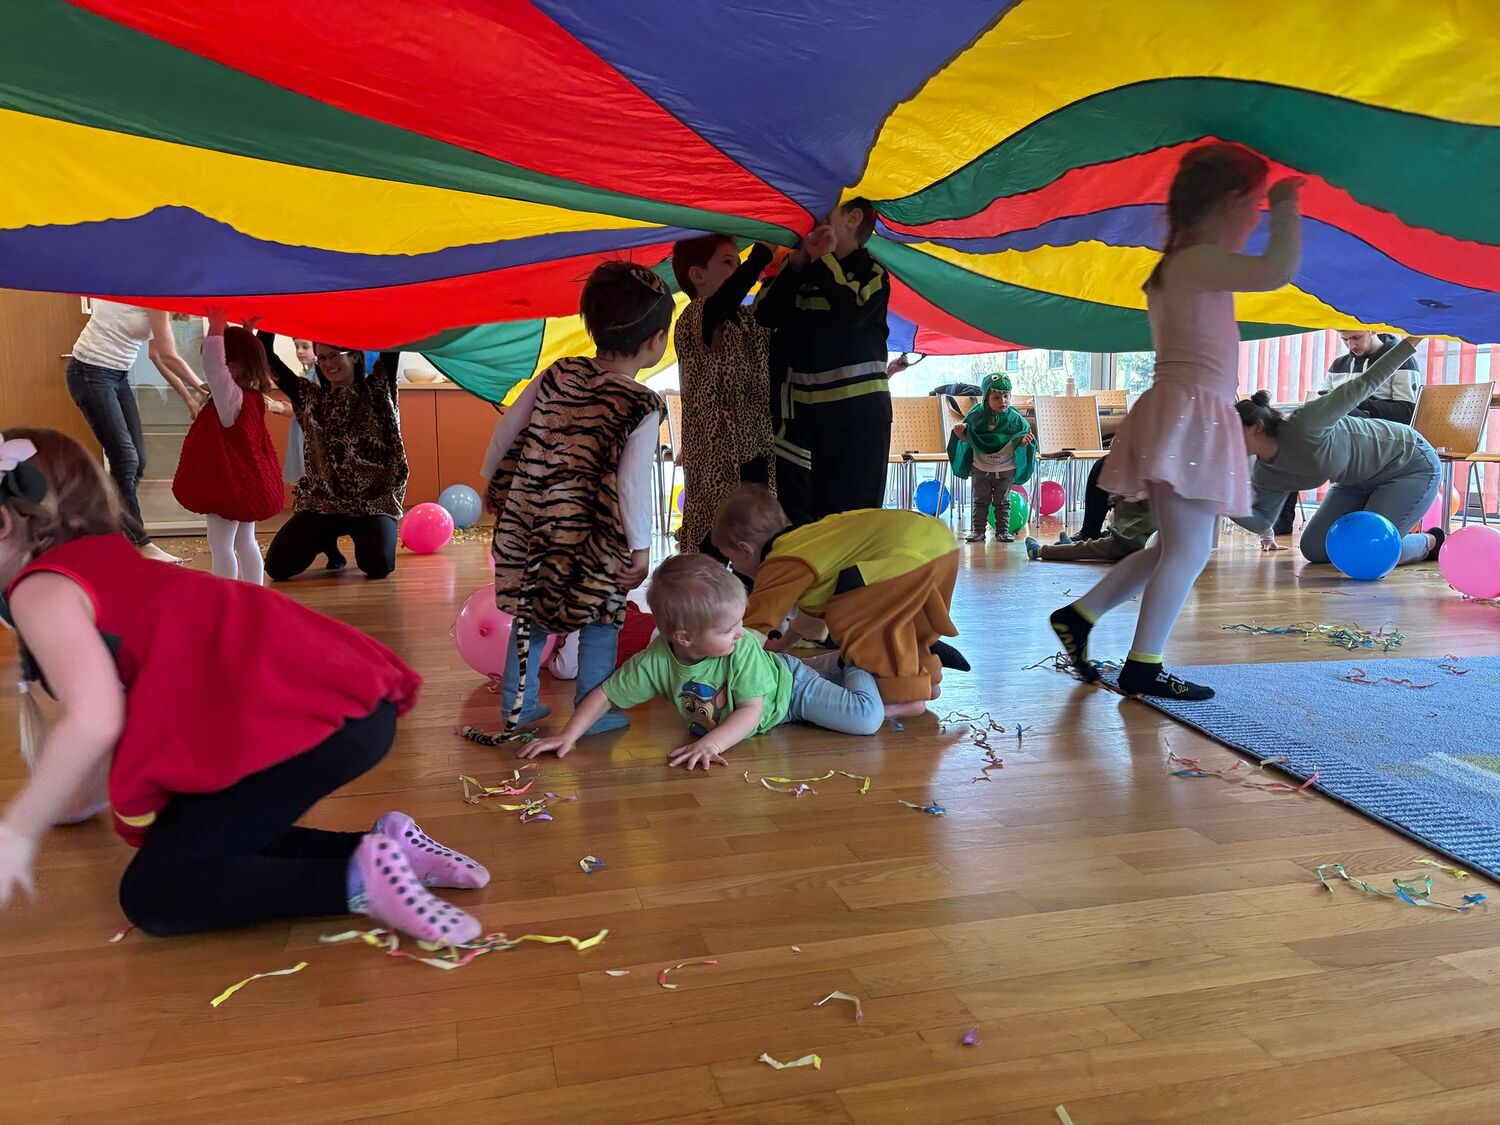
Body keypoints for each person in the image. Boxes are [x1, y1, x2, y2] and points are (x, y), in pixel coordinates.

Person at [0, 428, 489, 941]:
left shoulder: (40, 588)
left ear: (5, 521)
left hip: (308, 719)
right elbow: (116, 712)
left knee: (155, 894)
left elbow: (95, 720)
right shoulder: (104, 558)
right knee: (197, 840)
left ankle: (356, 882)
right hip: (345, 699)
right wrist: (70, 798)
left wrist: (18, 831)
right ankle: (391, 850)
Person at [1048, 143, 1303, 701]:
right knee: (1188, 549)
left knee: (1174, 546)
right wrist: (1287, 203)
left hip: (1185, 409)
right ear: (1228, 202)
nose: (1254, 218)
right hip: (1191, 412)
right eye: (1254, 206)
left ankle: (1080, 617)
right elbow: (1276, 270)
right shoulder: (1195, 260)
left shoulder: (1181, 264)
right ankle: (1143, 665)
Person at [481, 260, 671, 736]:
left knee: (531, 613)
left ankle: (518, 707)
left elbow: (509, 429)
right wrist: (641, 548)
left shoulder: (559, 372)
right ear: (655, 340)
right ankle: (594, 711)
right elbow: (631, 485)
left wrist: (491, 482)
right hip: (593, 536)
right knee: (601, 619)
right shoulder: (641, 404)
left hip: (533, 522)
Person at [518, 553, 884, 769]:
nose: (740, 632)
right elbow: (606, 694)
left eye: (740, 622)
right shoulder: (656, 660)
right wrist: (568, 736)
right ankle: (830, 665)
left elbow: (751, 710)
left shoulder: (742, 647)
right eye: (728, 628)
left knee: (866, 718)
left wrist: (711, 745)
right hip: (770, 697)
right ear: (684, 638)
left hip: (789, 691)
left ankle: (854, 660)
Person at [711, 485, 961, 719]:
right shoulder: (805, 543)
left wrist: (716, 669)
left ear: (745, 549)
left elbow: (753, 629)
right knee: (904, 628)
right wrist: (784, 644)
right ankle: (927, 682)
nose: (734, 568)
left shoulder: (779, 561)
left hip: (905, 553)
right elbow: (812, 612)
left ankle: (903, 699)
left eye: (730, 559)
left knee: (856, 622)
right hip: (937, 542)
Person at [1232, 336, 1442, 567]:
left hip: (1408, 464)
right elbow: (1263, 520)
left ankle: (1430, 542)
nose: (1226, 443)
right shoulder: (1265, 473)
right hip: (1354, 482)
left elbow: (1367, 382)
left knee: (1366, 549)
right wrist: (1222, 501)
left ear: (1258, 427)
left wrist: (1412, 340)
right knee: (1314, 548)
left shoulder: (1306, 422)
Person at [755, 199, 891, 526]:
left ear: (853, 218)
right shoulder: (799, 270)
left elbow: (852, 314)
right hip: (800, 421)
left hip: (858, 421)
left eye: (823, 212)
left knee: (852, 519)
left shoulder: (872, 273)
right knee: (798, 519)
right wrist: (796, 264)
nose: (811, 220)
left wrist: (824, 260)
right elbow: (764, 313)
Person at [66, 301, 207, 563]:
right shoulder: (156, 295)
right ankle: (139, 542)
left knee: (136, 461)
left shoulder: (157, 300)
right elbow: (169, 355)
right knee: (125, 459)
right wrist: (205, 388)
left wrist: (188, 398)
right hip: (90, 371)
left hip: (117, 376)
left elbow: (156, 356)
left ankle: (107, 528)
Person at [258, 334, 407, 580]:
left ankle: (359, 536)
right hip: (323, 505)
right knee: (277, 567)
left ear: (356, 357)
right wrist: (266, 320)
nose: (328, 363)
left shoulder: (378, 390)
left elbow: (394, 343)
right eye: (322, 358)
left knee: (378, 565)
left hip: (372, 505)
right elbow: (267, 355)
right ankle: (325, 540)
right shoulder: (310, 397)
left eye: (335, 356)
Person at [670, 235, 777, 557]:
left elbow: (771, 310)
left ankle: (749, 587)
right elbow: (726, 299)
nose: (737, 269)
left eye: (738, 263)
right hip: (716, 453)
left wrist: (790, 269)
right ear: (697, 275)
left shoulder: (746, 320)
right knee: (712, 538)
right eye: (728, 262)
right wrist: (762, 255)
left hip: (755, 444)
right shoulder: (694, 317)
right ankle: (701, 585)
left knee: (757, 537)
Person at [169, 309, 285, 583]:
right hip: (248, 484)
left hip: (228, 486)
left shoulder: (230, 398)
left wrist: (216, 327)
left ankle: (227, 595)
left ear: (233, 364)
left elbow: (215, 366)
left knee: (221, 545)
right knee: (246, 541)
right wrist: (246, 334)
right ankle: (255, 592)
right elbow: (225, 365)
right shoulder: (252, 397)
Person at [1270, 329, 1423, 536]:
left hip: (1377, 434)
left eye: (1356, 338)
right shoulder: (1338, 365)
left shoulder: (1402, 360)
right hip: (1340, 434)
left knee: (1338, 413)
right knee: (1294, 439)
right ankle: (1280, 524)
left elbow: (1406, 414)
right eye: (1345, 340)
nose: (1351, 346)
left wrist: (1353, 400)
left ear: (1372, 329)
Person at [947, 373, 1036, 543]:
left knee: (1003, 502)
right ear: (986, 398)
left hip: (1005, 468)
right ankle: (978, 531)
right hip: (981, 468)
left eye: (1006, 396)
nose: (1003, 400)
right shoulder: (976, 416)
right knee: (980, 501)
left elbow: (1020, 440)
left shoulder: (1015, 419)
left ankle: (1002, 531)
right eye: (996, 397)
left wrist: (1024, 442)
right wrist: (961, 434)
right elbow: (971, 440)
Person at [1026, 495, 1155, 563]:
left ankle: (1039, 551)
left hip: (1129, 542)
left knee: (1085, 548)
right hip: (1143, 539)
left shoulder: (1137, 488)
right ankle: (1068, 545)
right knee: (1104, 536)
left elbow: (1118, 513)